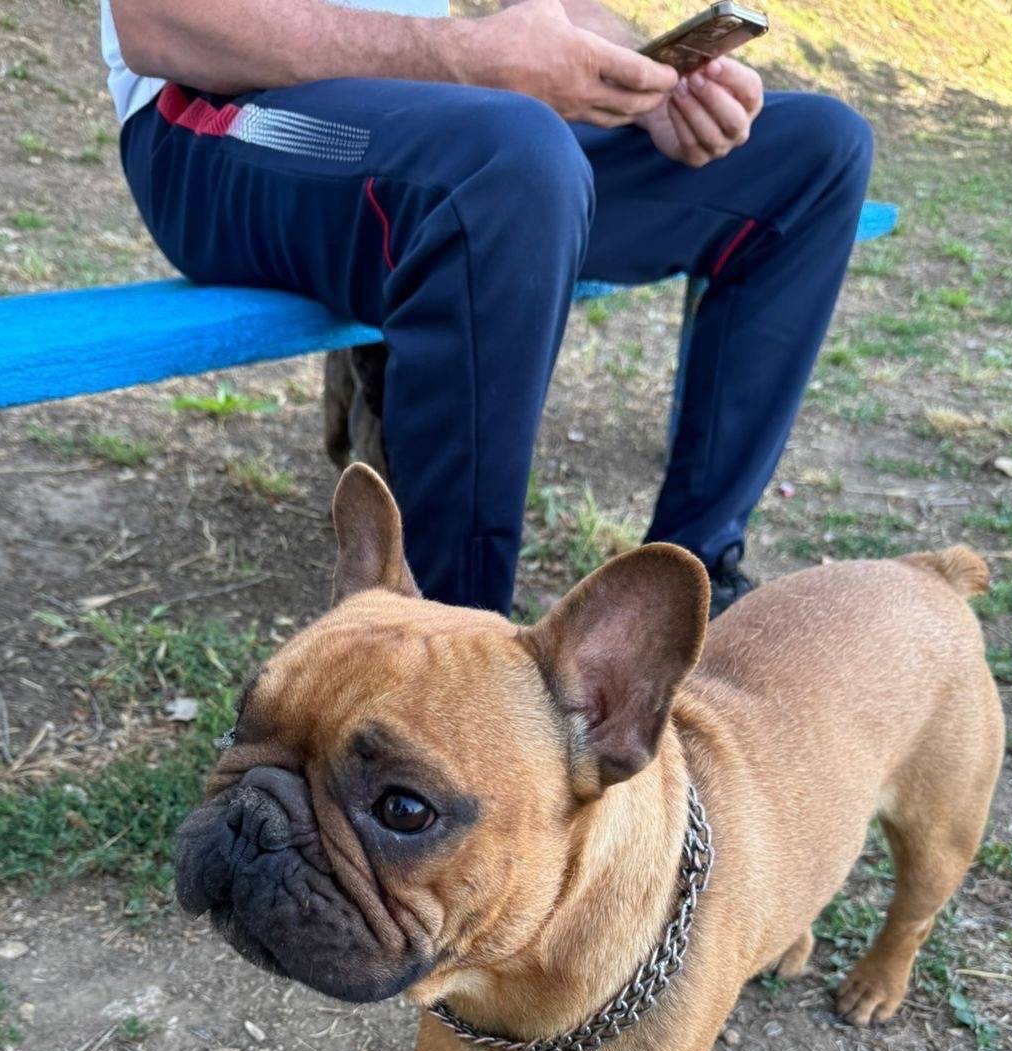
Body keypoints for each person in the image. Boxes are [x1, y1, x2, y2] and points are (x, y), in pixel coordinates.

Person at [102, 0, 872, 618]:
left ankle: (690, 592)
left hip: (447, 112)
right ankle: (453, 668)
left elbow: (559, 15)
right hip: (212, 116)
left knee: (818, 151)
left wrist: (641, 82)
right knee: (511, 163)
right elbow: (160, 20)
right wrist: (465, 58)